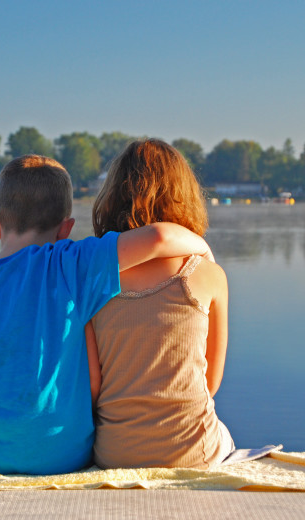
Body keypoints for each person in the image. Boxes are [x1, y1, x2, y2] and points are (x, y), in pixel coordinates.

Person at [0, 154, 215, 475]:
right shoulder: (72, 264)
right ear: (66, 228)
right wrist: (204, 251)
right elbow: (160, 237)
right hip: (57, 456)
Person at [87, 139, 235, 469]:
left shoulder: (91, 281)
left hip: (114, 453)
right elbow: (210, 384)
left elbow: (93, 387)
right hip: (191, 452)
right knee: (224, 435)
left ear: (112, 198)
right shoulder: (210, 275)